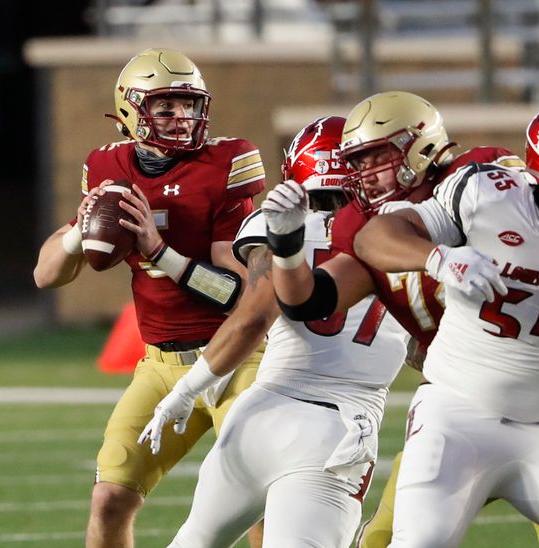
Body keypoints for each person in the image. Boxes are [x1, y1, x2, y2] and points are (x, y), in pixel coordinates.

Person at [263, 92, 539, 546]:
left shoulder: (484, 183)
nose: (363, 174)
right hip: (458, 402)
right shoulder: (372, 226)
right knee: (393, 536)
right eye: (357, 161)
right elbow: (309, 301)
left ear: (417, 146)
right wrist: (286, 246)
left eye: (376, 156)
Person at [137, 115, 410, 547]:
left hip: (260, 414)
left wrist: (186, 390)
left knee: (195, 540)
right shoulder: (405, 235)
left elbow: (250, 319)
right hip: (334, 430)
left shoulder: (276, 228)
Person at [32, 48, 266, 548]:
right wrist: (81, 229)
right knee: (110, 498)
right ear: (129, 111)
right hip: (159, 364)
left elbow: (239, 293)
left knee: (259, 500)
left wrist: (160, 253)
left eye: (188, 104)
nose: (181, 117)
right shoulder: (105, 166)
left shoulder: (225, 161)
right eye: (165, 106)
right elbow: (46, 275)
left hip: (239, 359)